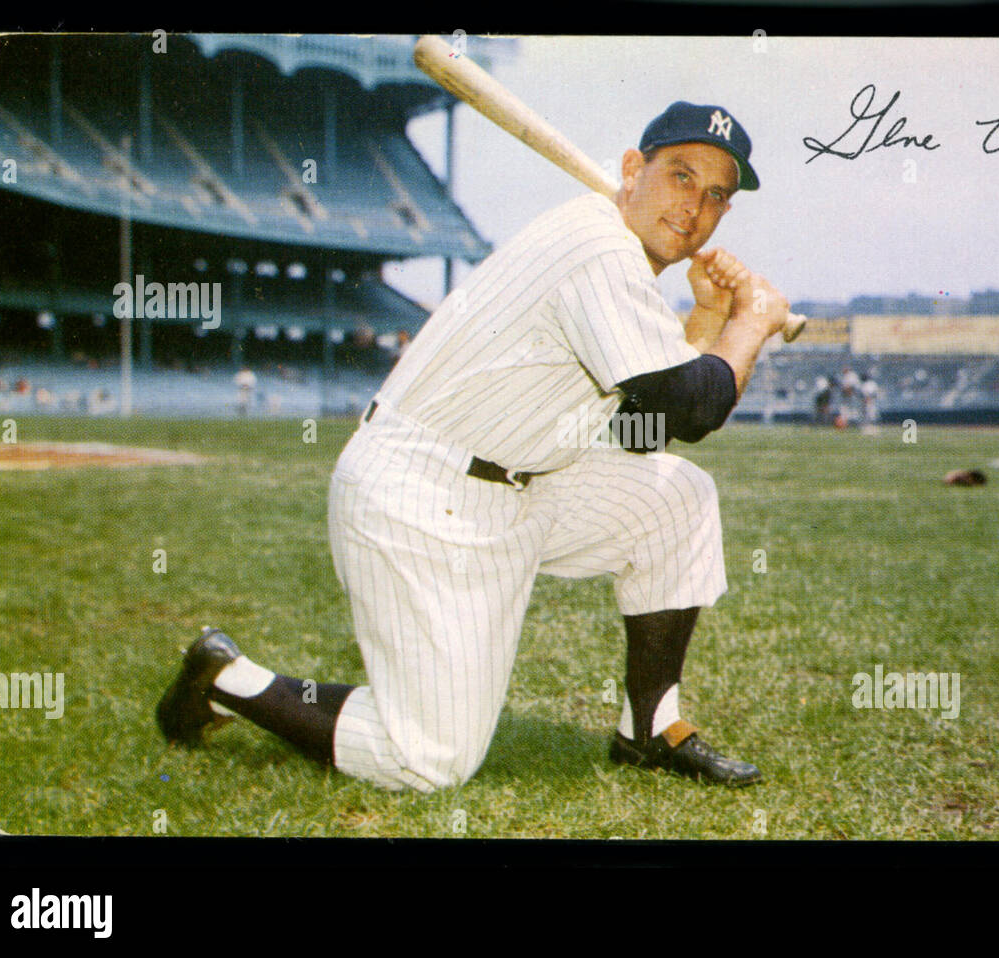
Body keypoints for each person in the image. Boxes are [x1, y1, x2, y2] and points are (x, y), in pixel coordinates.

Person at [157, 102, 788, 792]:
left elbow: (650, 430)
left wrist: (705, 321)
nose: (694, 206)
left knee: (676, 497)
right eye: (679, 176)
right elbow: (690, 407)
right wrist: (750, 326)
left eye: (715, 195)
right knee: (430, 759)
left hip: (524, 484)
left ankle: (650, 730)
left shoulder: (623, 265)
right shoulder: (596, 246)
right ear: (632, 171)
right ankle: (229, 680)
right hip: (422, 496)